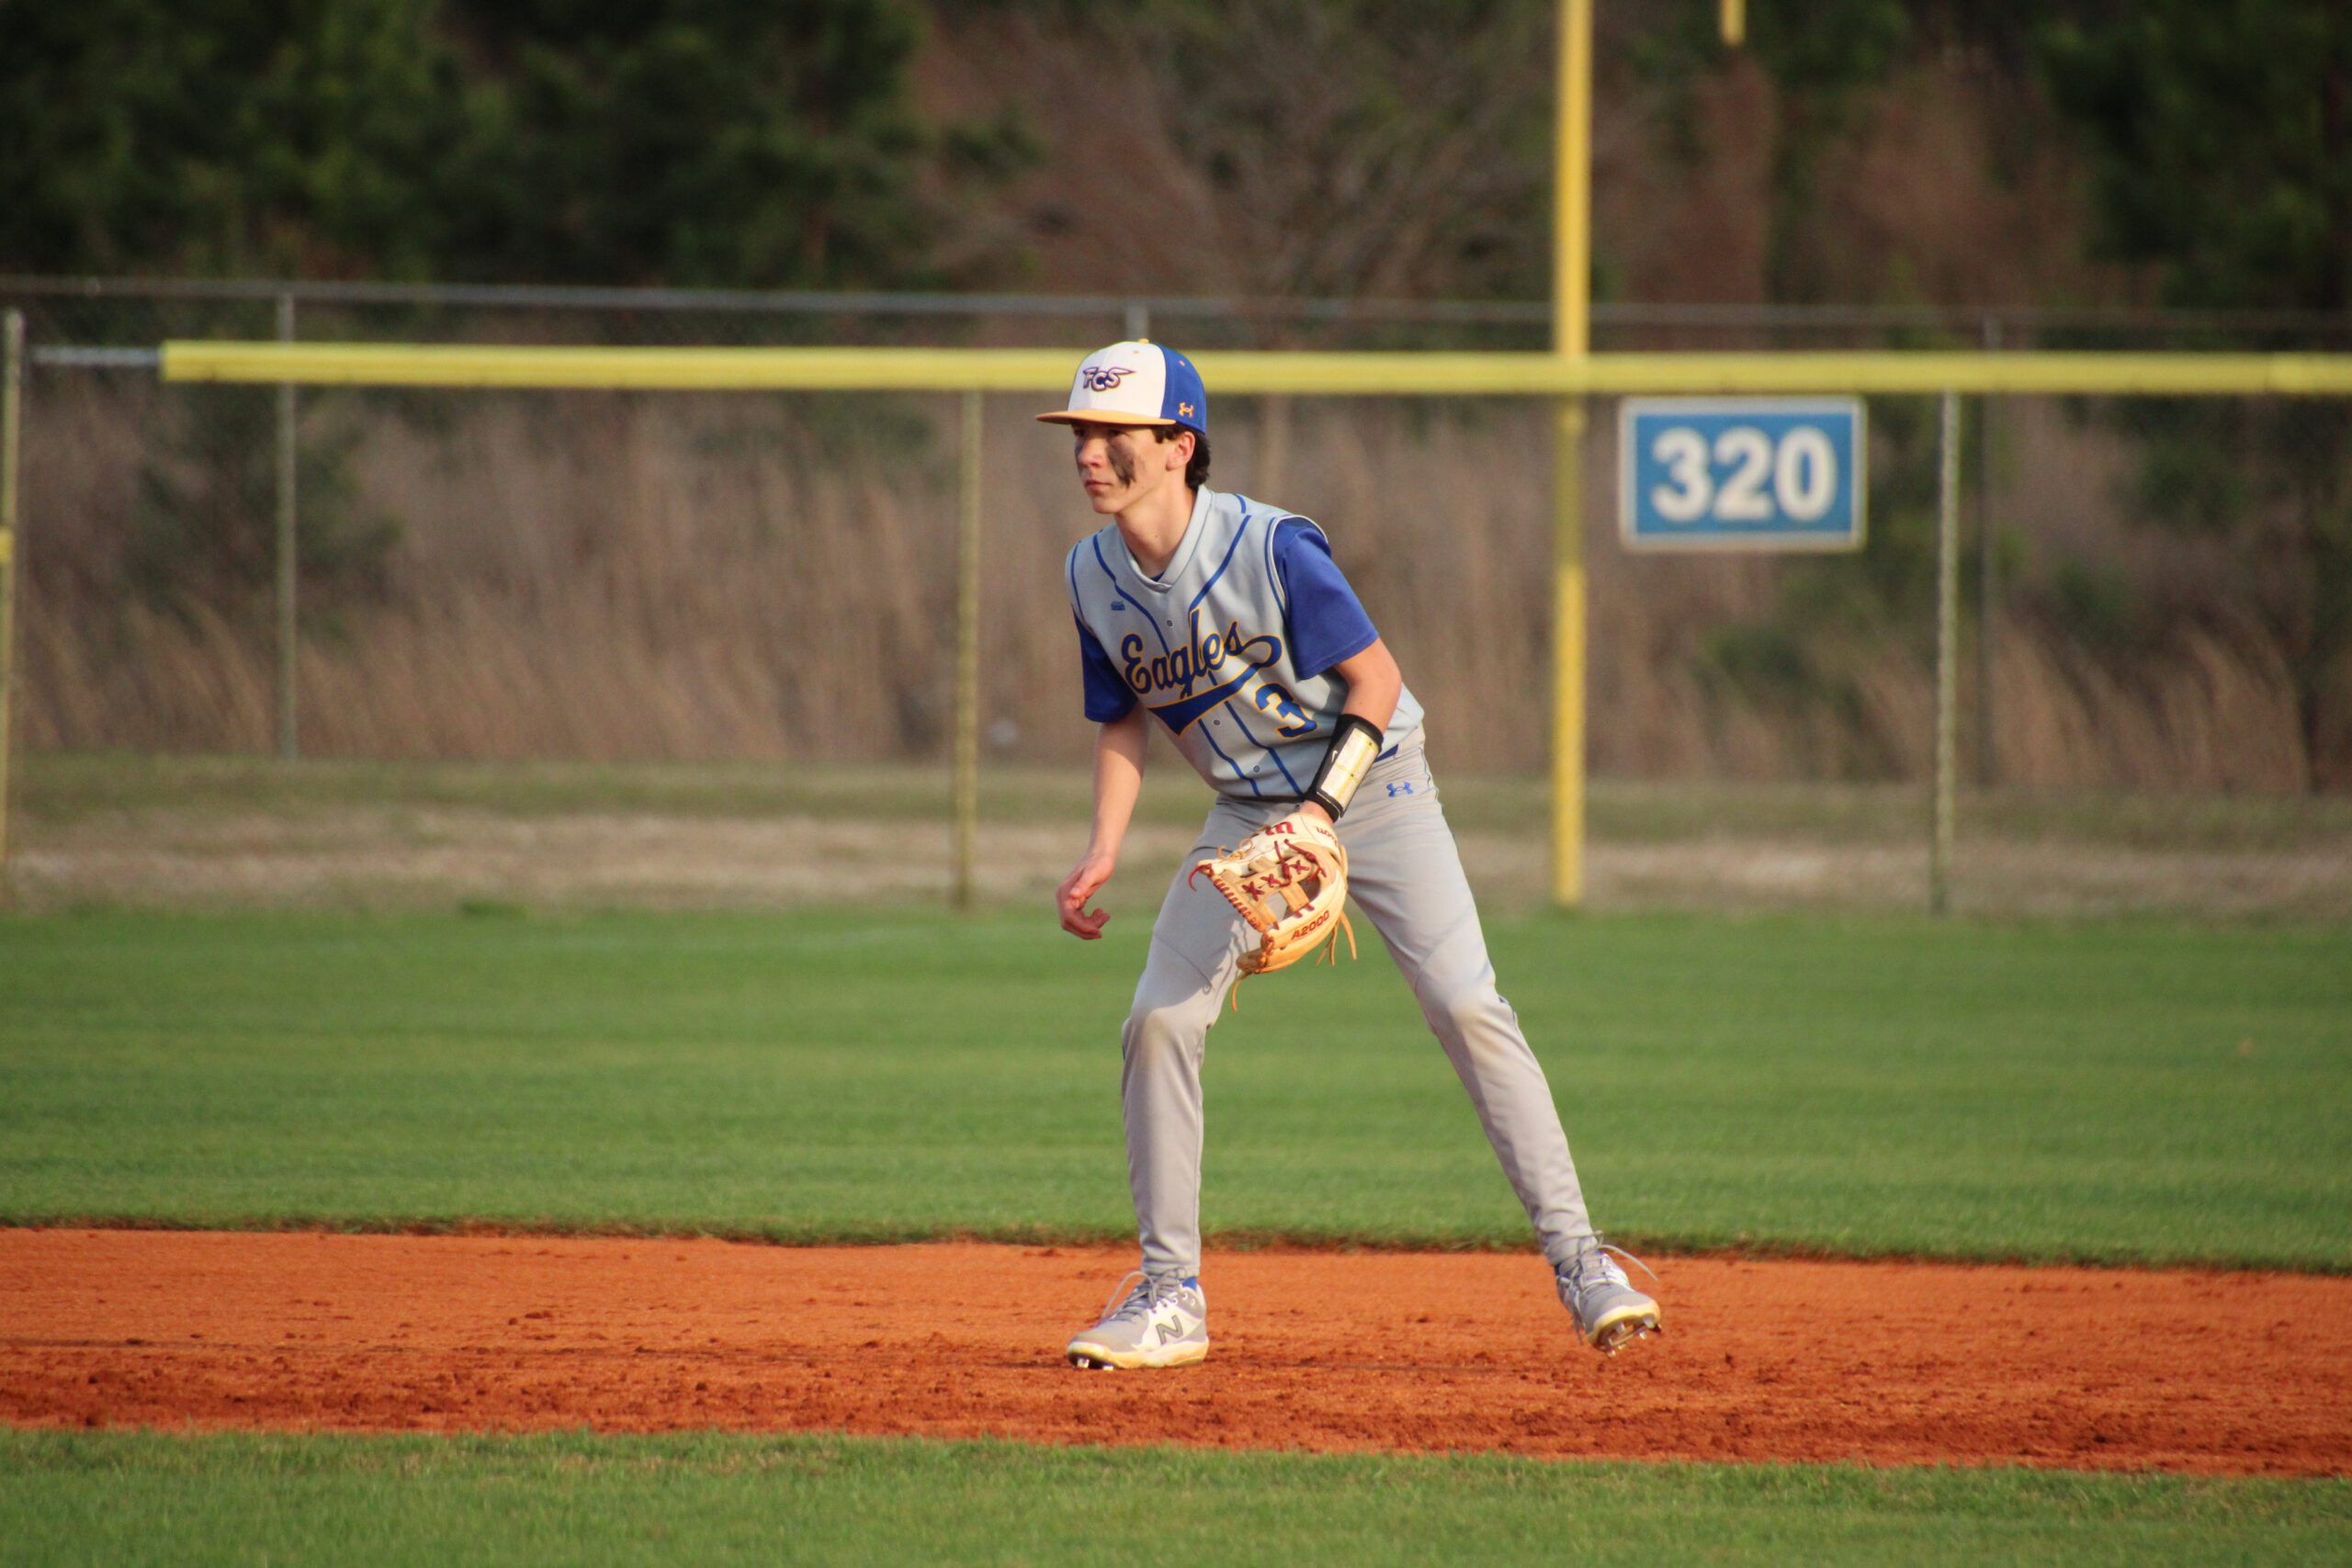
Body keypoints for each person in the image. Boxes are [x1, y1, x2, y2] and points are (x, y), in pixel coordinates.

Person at [1044, 341, 1658, 1370]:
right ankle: (1168, 1296)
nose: (1089, 454)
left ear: (1176, 443)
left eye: (1113, 434)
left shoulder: (1271, 545)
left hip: (1374, 788)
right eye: (1081, 435)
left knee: (1466, 1004)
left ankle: (1585, 1262)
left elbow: (1376, 681)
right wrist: (1103, 846)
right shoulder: (1089, 575)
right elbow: (1120, 722)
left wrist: (1323, 811)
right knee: (1156, 1020)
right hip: (1244, 814)